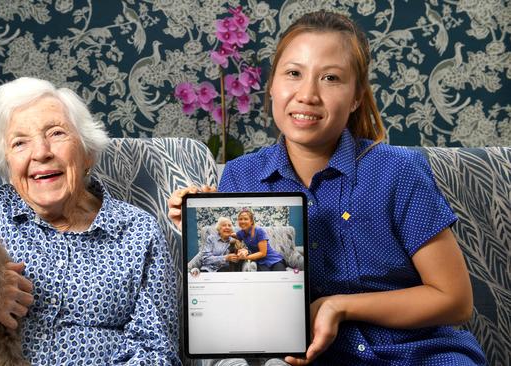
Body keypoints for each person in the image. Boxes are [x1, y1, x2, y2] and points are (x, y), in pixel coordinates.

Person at [168, 10, 486, 365]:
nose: (308, 94)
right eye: (293, 74)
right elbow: (240, 302)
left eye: (331, 78)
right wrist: (200, 223)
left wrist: (339, 306)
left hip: (420, 354)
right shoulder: (242, 176)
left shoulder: (398, 170)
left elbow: (455, 301)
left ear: (355, 97)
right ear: (272, 85)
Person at [0, 77, 180, 365]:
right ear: (8, 163)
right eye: (20, 143)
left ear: (87, 152)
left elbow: (157, 349)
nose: (41, 153)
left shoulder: (139, 231)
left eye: (56, 133)